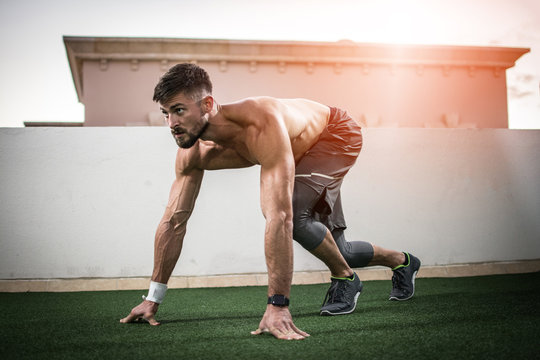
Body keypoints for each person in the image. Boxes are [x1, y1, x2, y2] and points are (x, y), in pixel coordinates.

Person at [120, 63, 421, 340]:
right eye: (165, 113)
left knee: (294, 216)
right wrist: (153, 297)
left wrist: (278, 305)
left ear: (207, 104)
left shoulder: (260, 123)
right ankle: (403, 262)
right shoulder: (193, 152)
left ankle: (345, 279)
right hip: (297, 149)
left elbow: (279, 216)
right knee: (338, 249)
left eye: (179, 110)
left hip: (335, 134)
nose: (171, 123)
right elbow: (174, 221)